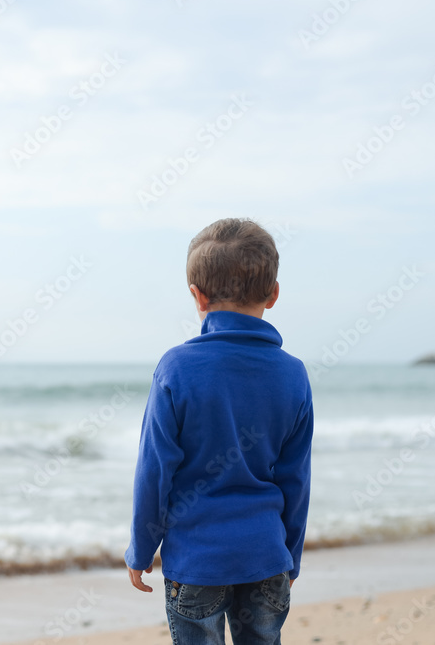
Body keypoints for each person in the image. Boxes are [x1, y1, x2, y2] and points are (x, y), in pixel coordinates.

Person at [124, 218, 313, 644]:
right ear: (274, 294)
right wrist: (291, 556)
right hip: (267, 557)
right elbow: (295, 479)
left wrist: (140, 549)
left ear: (198, 295)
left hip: (197, 561)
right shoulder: (293, 375)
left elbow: (154, 472)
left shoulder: (176, 368)